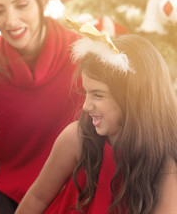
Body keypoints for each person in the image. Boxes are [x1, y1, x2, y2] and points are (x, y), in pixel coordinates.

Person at [15, 31, 177, 213]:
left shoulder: (165, 164)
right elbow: (38, 197)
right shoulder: (76, 139)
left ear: (134, 98)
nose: (85, 106)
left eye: (98, 95)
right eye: (86, 92)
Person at [0, 0, 83, 212]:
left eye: (22, 5)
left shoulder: (80, 54)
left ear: (43, 2)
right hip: (2, 187)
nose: (10, 21)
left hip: (69, 186)